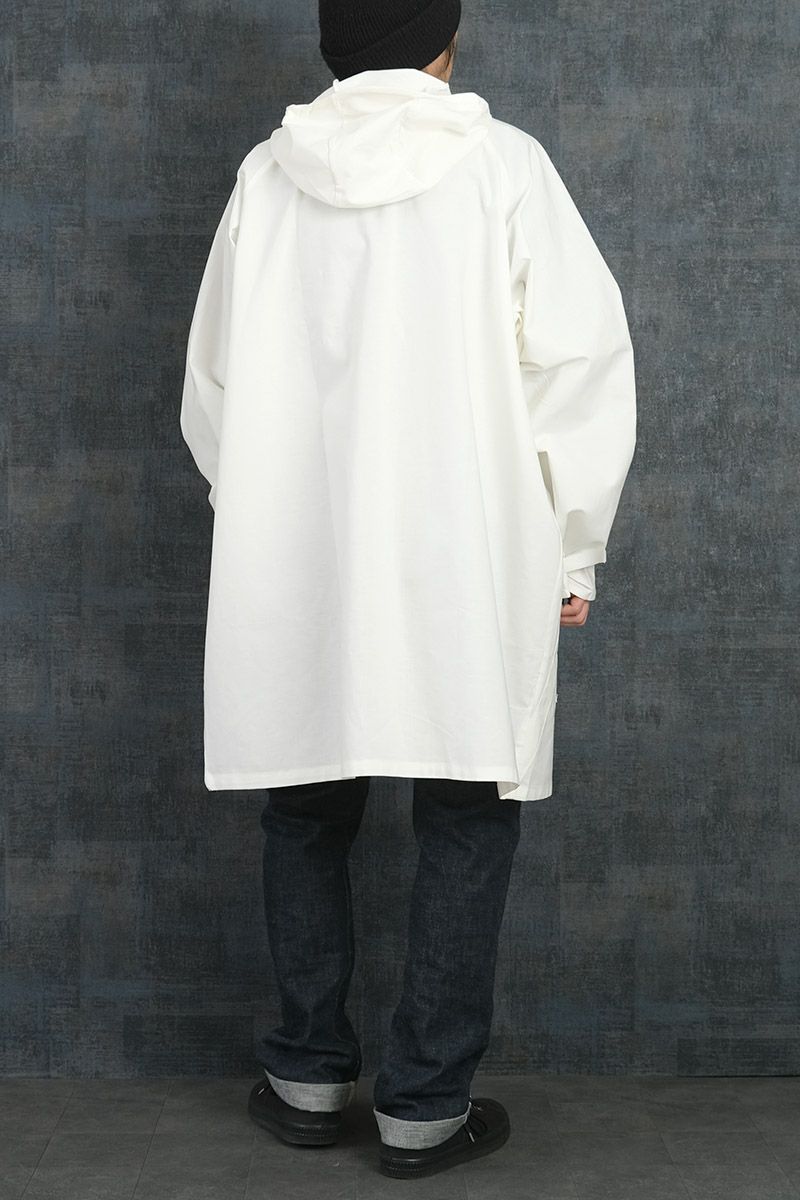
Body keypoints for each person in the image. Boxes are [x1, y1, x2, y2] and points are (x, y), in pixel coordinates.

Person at [179, 0, 636, 1181]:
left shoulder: (266, 179)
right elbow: (575, 364)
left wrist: (259, 521)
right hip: (465, 549)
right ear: (445, 42)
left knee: (303, 806)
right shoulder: (500, 167)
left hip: (299, 550)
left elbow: (214, 381)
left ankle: (305, 1076)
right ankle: (424, 1105)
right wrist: (569, 545)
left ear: (331, 47)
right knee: (466, 811)